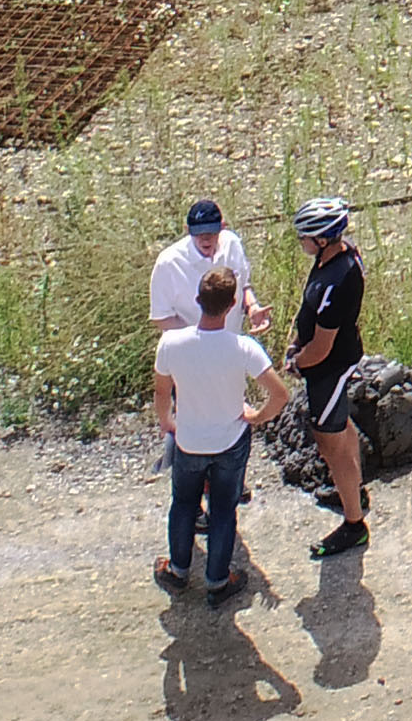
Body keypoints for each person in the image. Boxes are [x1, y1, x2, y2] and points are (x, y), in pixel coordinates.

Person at [152, 272, 281, 598]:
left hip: (189, 440)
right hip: (230, 441)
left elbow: (161, 392)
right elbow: (280, 395)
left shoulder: (171, 344)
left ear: (198, 301)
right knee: (223, 510)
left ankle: (178, 570)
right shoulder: (244, 348)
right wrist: (256, 417)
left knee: (183, 504)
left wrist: (167, 421)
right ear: (232, 305)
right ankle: (218, 581)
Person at [286, 197, 370, 557]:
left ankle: (354, 524)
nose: (301, 242)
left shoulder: (338, 280)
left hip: (329, 369)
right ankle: (355, 489)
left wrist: (297, 362)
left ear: (321, 239)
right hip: (335, 360)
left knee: (329, 443)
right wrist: (295, 341)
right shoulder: (336, 255)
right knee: (341, 426)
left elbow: (321, 348)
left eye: (304, 236)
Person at [151, 199, 262, 341]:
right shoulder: (168, 263)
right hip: (190, 352)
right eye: (198, 233)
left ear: (222, 227)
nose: (205, 239)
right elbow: (161, 317)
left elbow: (244, 286)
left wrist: (253, 308)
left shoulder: (232, 244)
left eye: (211, 231)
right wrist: (202, 339)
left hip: (232, 344)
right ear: (187, 230)